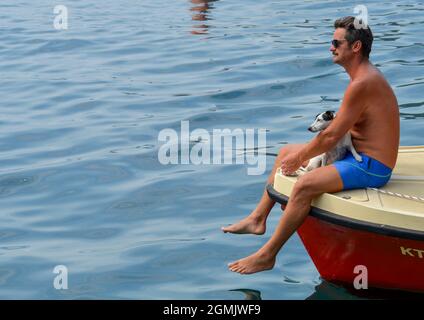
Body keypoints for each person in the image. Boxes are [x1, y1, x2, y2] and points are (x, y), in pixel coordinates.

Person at [222, 16, 400, 274]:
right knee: (285, 152)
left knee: (305, 185)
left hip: (372, 166)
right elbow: (335, 134)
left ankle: (267, 255)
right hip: (356, 156)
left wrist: (301, 158)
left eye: (336, 42)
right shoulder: (361, 79)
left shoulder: (363, 83)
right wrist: (298, 155)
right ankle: (258, 218)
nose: (331, 47)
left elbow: (330, 136)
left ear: (356, 47)